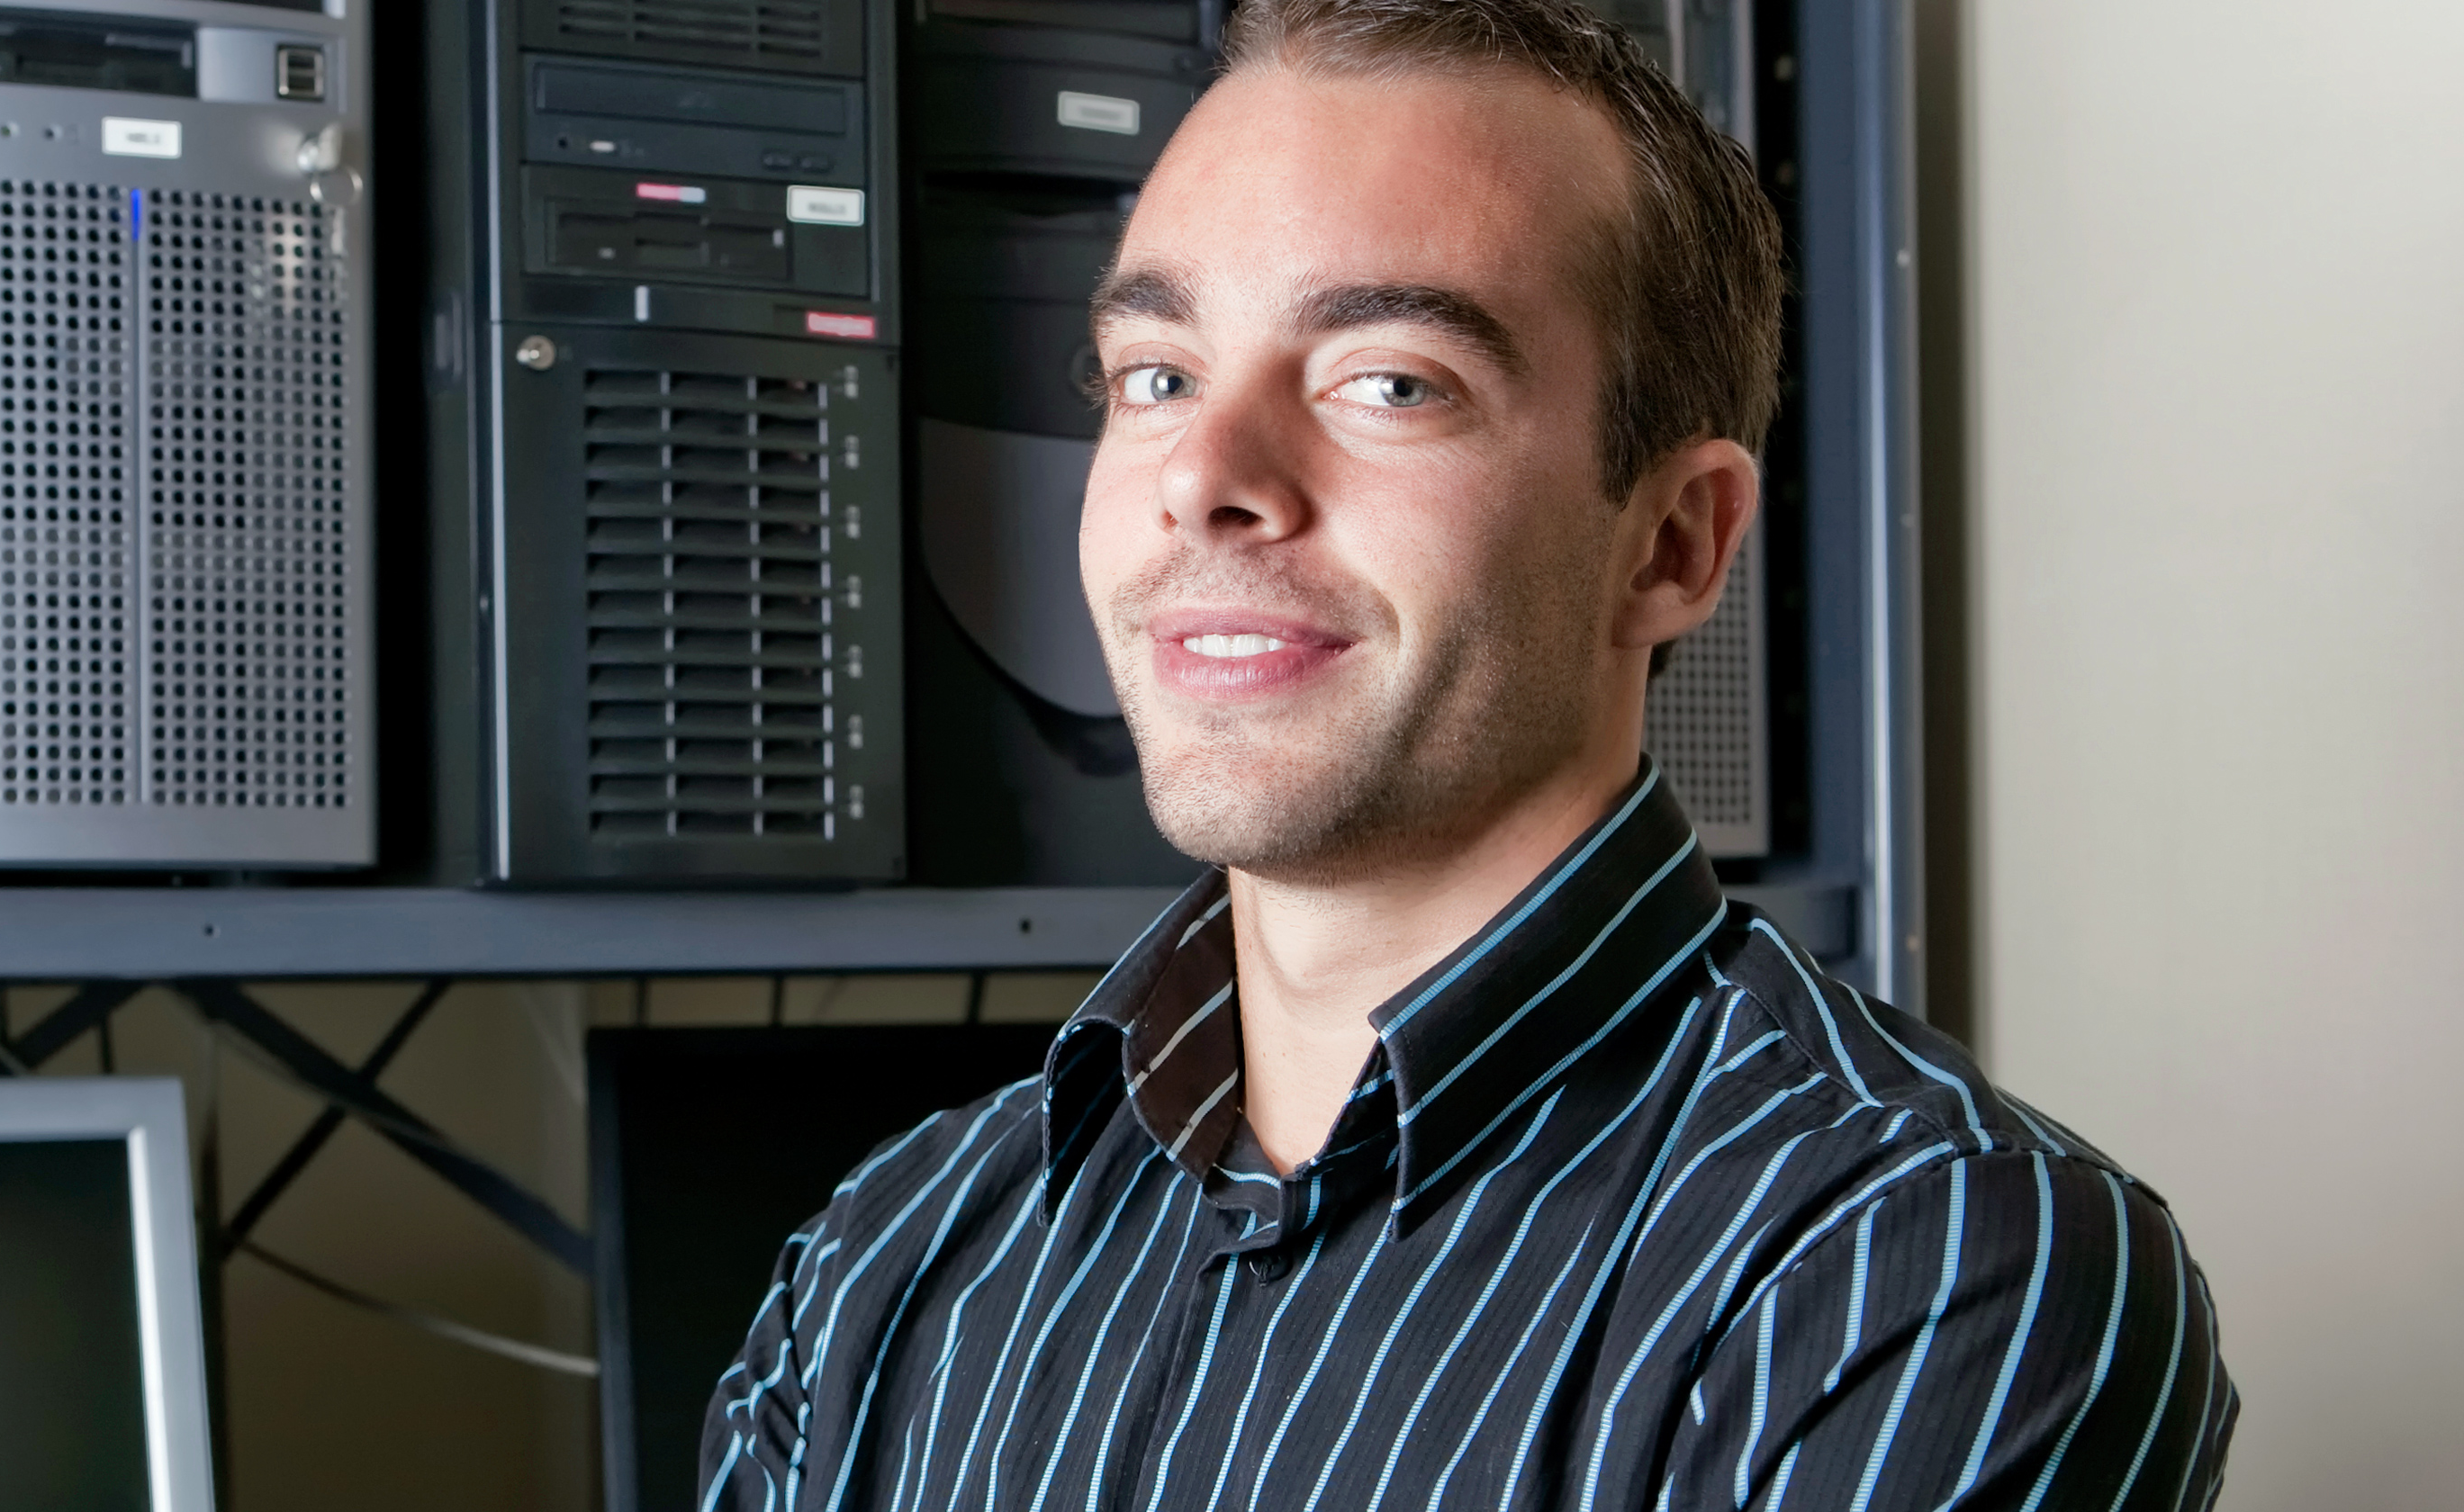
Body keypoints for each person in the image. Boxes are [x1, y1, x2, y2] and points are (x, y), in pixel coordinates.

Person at [696, 2, 2235, 1508]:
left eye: (1389, 384)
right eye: (1155, 378)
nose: (1206, 482)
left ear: (1674, 543)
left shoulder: (1927, 1275)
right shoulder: (890, 1267)